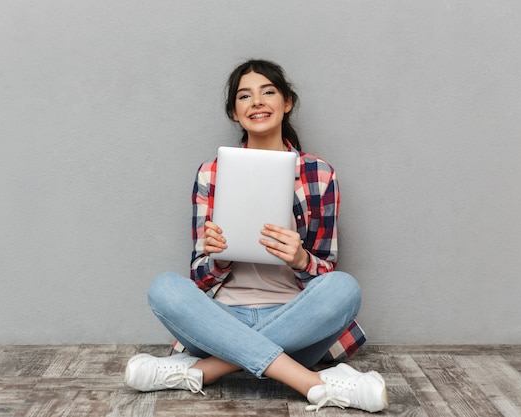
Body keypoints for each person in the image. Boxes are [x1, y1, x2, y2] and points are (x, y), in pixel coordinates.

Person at [124, 59, 388, 413]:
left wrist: (300, 259)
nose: (257, 102)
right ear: (234, 112)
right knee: (164, 288)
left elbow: (327, 271)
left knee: (345, 289)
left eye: (268, 92)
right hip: (221, 319)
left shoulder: (320, 174)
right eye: (244, 96)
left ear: (287, 102)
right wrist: (216, 258)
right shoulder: (210, 173)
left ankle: (202, 371)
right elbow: (197, 277)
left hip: (296, 322)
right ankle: (312, 384)